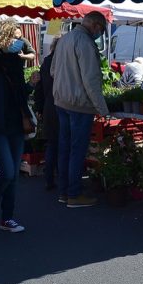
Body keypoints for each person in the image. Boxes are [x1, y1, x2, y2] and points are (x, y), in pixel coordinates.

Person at [0, 20, 36, 233]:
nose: (17, 42)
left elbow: (20, 93)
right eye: (13, 37)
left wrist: (30, 84)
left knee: (13, 175)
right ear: (1, 38)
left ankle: (7, 217)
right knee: (8, 173)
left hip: (16, 124)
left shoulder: (15, 62)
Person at [51, 11, 109, 208]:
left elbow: (52, 71)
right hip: (79, 105)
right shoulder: (85, 43)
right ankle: (74, 195)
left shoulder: (64, 39)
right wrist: (102, 109)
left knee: (65, 148)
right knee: (77, 149)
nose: (99, 33)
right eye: (100, 29)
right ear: (95, 25)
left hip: (61, 101)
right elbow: (91, 80)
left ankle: (64, 192)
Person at [34, 38, 60, 190]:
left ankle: (49, 179)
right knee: (62, 145)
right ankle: (63, 180)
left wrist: (39, 108)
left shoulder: (46, 62)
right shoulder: (62, 62)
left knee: (51, 144)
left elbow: (39, 88)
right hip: (61, 106)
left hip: (48, 107)